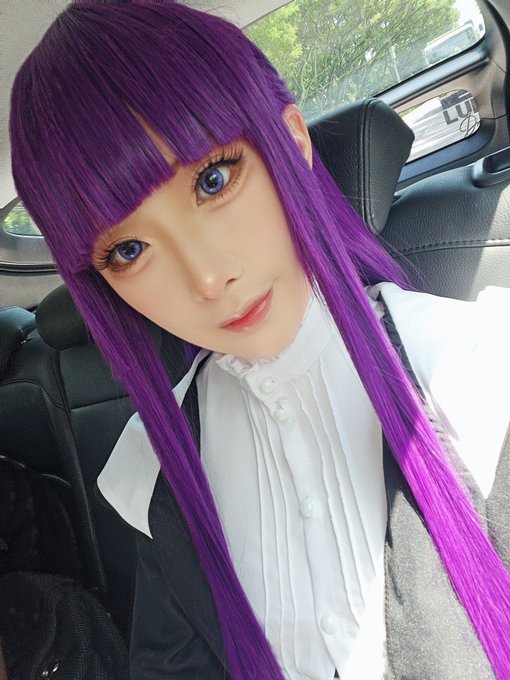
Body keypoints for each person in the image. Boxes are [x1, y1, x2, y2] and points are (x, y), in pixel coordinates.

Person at [8, 2, 510, 679]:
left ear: (293, 142)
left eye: (213, 180)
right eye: (129, 250)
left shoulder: (477, 369)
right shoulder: (153, 472)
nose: (207, 277)